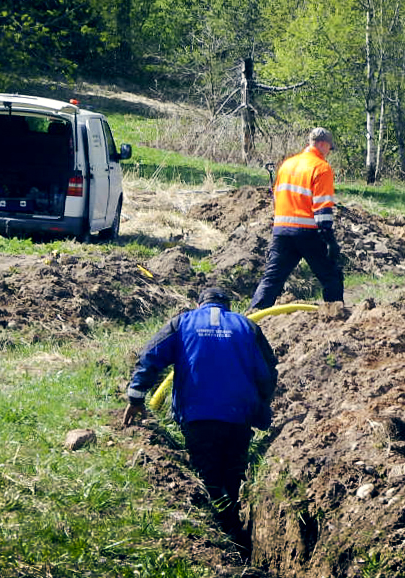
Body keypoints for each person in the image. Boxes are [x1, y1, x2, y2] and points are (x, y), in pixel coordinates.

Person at [123, 286, 278, 540]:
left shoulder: (182, 323)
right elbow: (267, 373)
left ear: (199, 304)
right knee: (234, 474)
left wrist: (136, 396)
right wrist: (261, 408)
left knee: (207, 477)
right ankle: (237, 527)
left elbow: (150, 357)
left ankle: (225, 531)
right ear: (228, 305)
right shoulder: (246, 326)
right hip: (239, 416)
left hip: (197, 417)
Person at [249, 128, 343, 310]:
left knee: (272, 279)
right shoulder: (321, 167)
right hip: (308, 231)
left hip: (282, 230)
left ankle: (253, 319)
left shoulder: (287, 164)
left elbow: (276, 196)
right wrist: (329, 239)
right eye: (330, 148)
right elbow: (322, 208)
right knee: (331, 276)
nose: (329, 153)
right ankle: (336, 317)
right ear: (323, 144)